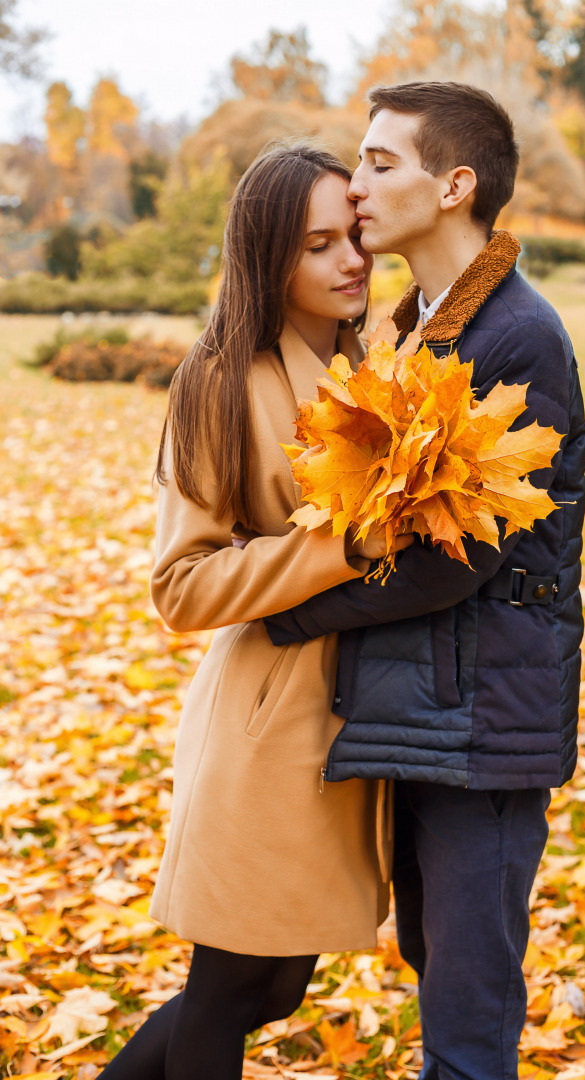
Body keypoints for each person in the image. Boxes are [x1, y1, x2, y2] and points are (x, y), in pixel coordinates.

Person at [264, 83, 585, 1080]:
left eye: (379, 162)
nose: (356, 185)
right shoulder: (423, 330)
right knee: (437, 971)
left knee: (468, 1017)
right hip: (428, 707)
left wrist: (296, 609)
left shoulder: (515, 336)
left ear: (454, 186)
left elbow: (461, 558)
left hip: (484, 721)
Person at [99, 143, 411, 1079]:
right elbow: (181, 585)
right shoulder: (219, 379)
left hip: (345, 715)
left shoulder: (366, 366)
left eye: (351, 235)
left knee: (272, 988)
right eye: (318, 245)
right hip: (266, 721)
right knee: (235, 986)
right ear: (268, 255)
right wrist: (339, 544)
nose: (350, 259)